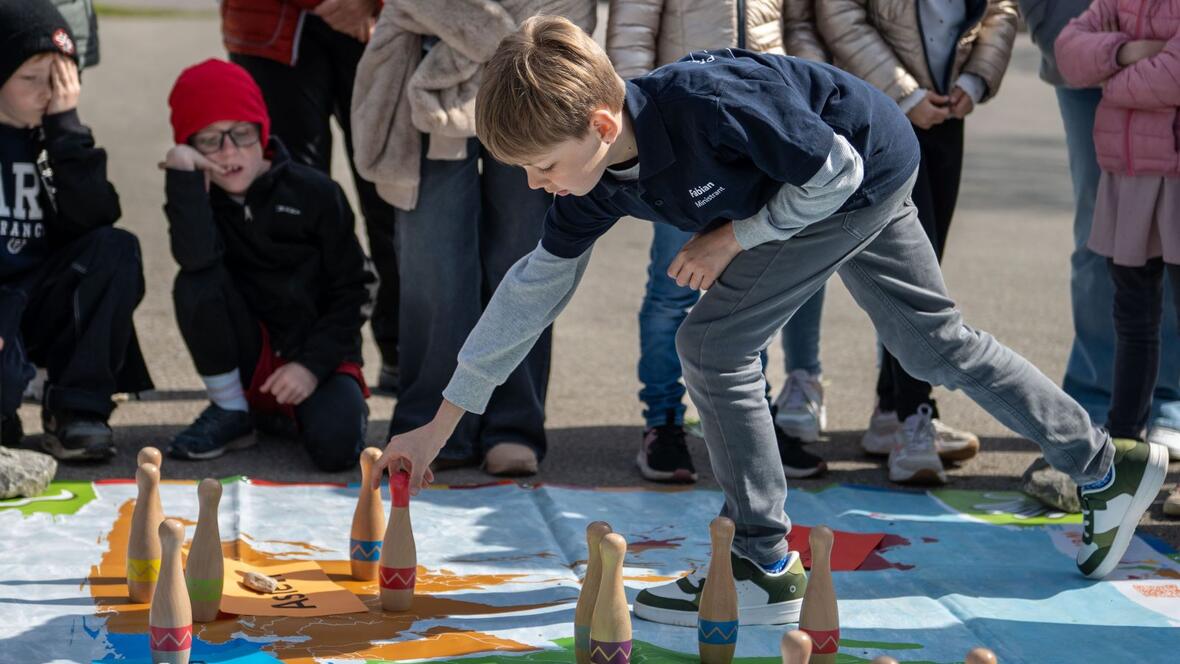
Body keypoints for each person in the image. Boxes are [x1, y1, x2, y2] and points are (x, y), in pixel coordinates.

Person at [372, 17, 1168, 627]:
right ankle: (1105, 465)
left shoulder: (708, 106)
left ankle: (758, 562)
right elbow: (529, 292)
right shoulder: (598, 181)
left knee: (711, 342)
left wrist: (733, 237)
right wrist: (444, 420)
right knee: (934, 344)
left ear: (602, 127)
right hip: (841, 183)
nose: (539, 186)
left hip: (857, 172)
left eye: (543, 167)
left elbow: (836, 172)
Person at [351, 0, 596, 478]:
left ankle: (513, 425)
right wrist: (499, 35)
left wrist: (523, 45)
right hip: (433, 72)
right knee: (434, 261)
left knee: (524, 259)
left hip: (538, 76)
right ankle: (431, 423)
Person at [606, 0, 828, 483]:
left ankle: (754, 420)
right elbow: (629, 45)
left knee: (753, 290)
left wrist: (806, 96)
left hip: (761, 137)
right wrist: (651, 136)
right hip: (680, 145)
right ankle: (662, 425)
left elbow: (797, 30)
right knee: (673, 289)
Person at [816, 0, 1016, 483]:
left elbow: (1001, 11)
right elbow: (839, 13)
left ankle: (891, 409)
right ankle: (913, 418)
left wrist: (975, 81)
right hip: (882, 108)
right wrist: (905, 95)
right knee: (913, 279)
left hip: (948, 108)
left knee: (928, 264)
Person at [162, 59, 373, 472]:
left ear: (262, 130)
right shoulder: (200, 197)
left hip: (315, 352)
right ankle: (231, 410)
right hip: (247, 352)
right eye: (208, 140)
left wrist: (311, 366)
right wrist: (183, 177)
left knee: (338, 450)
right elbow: (195, 262)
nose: (228, 151)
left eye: (241, 134)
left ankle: (284, 412)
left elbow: (357, 288)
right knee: (193, 282)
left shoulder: (316, 193)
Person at [1021, 0, 1180, 464]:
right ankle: (1097, 400)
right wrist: (1126, 53)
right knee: (1103, 243)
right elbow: (1075, 49)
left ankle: (1169, 396)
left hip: (1124, 59)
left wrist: (1110, 69)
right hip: (1089, 36)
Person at [220, 0, 400, 393]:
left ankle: (401, 348)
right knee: (290, 205)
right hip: (272, 21)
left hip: (382, 21)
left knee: (392, 195)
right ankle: (297, 360)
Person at [0, 0, 151, 460]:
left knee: (115, 247)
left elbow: (96, 221)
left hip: (38, 304)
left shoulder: (55, 135)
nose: (51, 92)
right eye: (33, 79)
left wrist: (65, 130)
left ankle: (76, 409)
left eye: (62, 78)